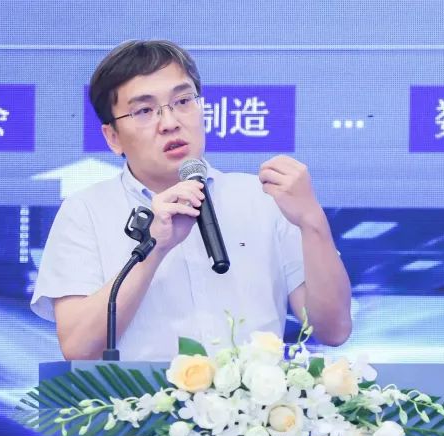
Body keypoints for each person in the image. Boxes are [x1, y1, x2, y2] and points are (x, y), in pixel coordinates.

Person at [31, 40, 352, 360]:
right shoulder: (85, 211)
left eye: (183, 101)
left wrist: (313, 222)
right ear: (113, 137)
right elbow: (78, 348)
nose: (170, 123)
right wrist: (155, 249)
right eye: (144, 111)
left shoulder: (263, 199)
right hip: (140, 396)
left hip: (252, 394)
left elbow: (334, 330)